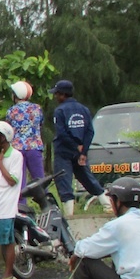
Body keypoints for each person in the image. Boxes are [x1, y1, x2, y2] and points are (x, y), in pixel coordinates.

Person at [50, 80, 106, 216]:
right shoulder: (84, 109)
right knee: (87, 178)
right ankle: (107, 204)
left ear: (63, 94)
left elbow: (62, 133)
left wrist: (75, 147)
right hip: (80, 152)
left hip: (64, 151)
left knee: (64, 180)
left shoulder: (60, 111)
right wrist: (83, 150)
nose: (55, 97)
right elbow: (90, 131)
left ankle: (69, 215)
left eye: (57, 94)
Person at [0, 121, 25, 279]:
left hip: (6, 206)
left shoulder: (16, 156)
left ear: (4, 138)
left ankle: (8, 274)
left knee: (6, 241)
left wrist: (0, 162)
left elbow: (12, 181)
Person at [5, 80, 45, 180]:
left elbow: (8, 128)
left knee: (19, 181)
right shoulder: (37, 108)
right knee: (39, 178)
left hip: (17, 149)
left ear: (15, 95)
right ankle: (44, 195)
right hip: (34, 147)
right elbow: (41, 124)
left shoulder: (11, 111)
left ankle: (21, 196)